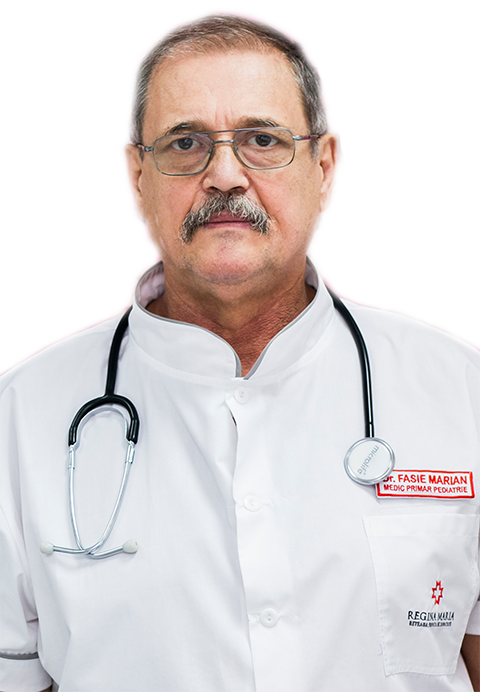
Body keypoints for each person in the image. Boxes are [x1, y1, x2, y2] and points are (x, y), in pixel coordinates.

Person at [1, 10, 480, 692]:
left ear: (326, 167)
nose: (225, 174)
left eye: (262, 139)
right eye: (186, 143)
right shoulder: (17, 423)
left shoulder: (462, 395)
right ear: (135, 177)